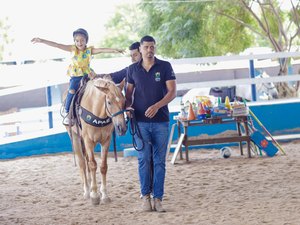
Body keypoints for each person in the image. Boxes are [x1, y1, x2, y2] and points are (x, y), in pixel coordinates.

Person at [125, 35, 176, 212]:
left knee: (159, 161)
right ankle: (145, 197)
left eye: (152, 46)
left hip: (161, 121)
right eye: (146, 47)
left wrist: (157, 106)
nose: (149, 50)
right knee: (144, 160)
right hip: (140, 123)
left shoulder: (165, 66)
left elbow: (172, 92)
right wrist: (128, 108)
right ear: (139, 48)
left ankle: (158, 198)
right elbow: (128, 95)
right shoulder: (132, 70)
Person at [31, 28, 124, 125]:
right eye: (77, 41)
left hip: (88, 75)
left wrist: (115, 50)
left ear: (86, 41)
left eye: (82, 40)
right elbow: (57, 45)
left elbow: (102, 50)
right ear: (74, 41)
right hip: (76, 76)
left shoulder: (89, 50)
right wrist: (41, 40)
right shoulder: (72, 49)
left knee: (98, 89)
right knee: (72, 90)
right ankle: (67, 112)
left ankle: (104, 111)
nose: (80, 43)